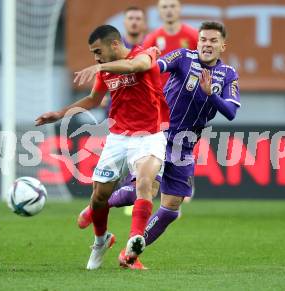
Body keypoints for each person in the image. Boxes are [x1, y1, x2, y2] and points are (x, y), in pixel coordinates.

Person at [78, 21, 241, 269]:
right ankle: (98, 206)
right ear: (197, 42)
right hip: (160, 133)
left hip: (185, 144)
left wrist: (211, 94)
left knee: (171, 209)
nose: (207, 44)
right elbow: (154, 65)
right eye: (203, 40)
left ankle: (128, 254)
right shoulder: (183, 56)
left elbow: (230, 112)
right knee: (144, 189)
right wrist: (133, 64)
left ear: (222, 45)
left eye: (213, 41)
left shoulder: (228, 74)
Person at [35, 24, 169, 270]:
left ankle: (134, 239)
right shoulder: (105, 71)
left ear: (115, 44)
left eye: (98, 51)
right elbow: (94, 99)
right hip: (118, 137)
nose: (95, 57)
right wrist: (59, 113)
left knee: (144, 183)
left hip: (149, 135)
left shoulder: (145, 52)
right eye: (93, 53)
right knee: (99, 198)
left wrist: (101, 66)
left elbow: (135, 66)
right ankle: (101, 240)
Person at [142, 0, 198, 85]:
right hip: (161, 94)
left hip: (187, 93)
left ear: (180, 9)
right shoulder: (151, 39)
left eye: (172, 6)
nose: (169, 10)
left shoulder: (194, 35)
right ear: (159, 11)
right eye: (164, 7)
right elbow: (145, 68)